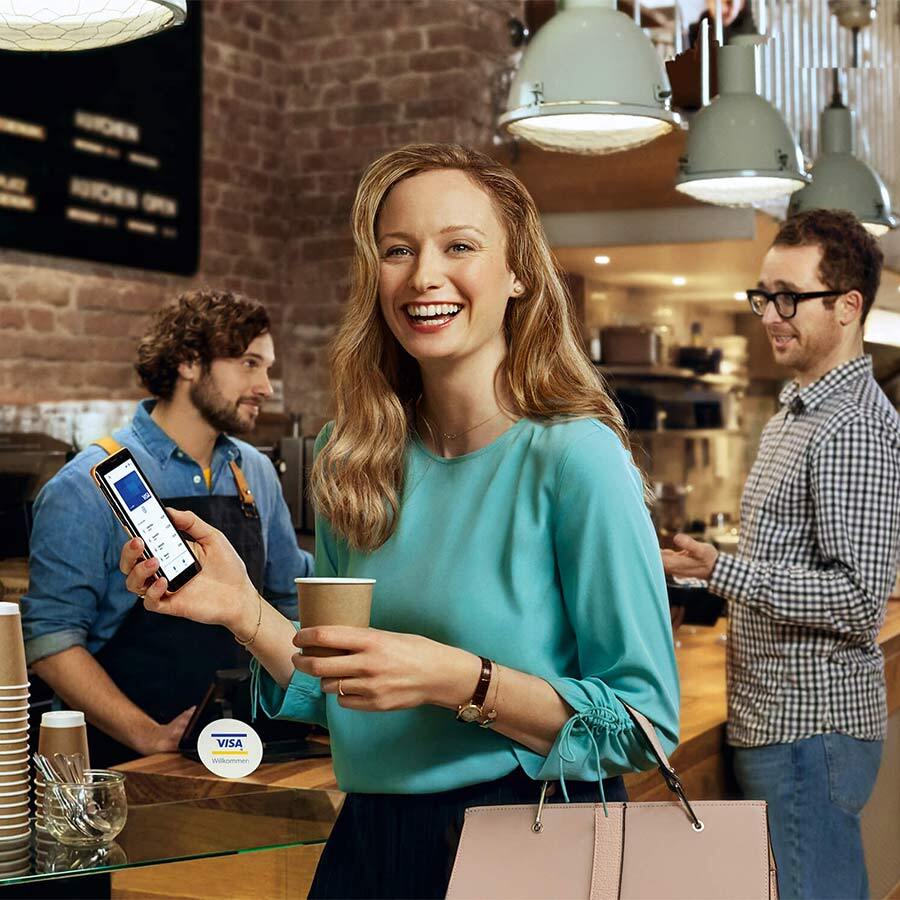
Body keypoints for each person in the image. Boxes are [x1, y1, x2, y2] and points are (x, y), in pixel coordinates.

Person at [120, 144, 680, 899]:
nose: (423, 276)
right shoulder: (354, 457)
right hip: (371, 843)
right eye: (398, 250)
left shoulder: (577, 459)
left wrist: (458, 678)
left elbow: (643, 728)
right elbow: (338, 689)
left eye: (460, 246)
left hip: (526, 841)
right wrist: (241, 609)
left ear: (518, 273)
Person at [663, 209, 900, 900]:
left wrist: (719, 569)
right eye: (763, 295)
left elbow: (857, 602)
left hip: (809, 731)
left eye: (790, 297)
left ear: (848, 306)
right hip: (780, 724)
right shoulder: (800, 407)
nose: (771, 314)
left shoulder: (850, 425)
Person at [22, 289, 314, 766]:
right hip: (130, 764)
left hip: (247, 749)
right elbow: (51, 641)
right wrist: (149, 736)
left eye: (267, 367)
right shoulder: (82, 485)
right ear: (188, 362)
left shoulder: (256, 472)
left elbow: (285, 601)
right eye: (248, 363)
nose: (266, 386)